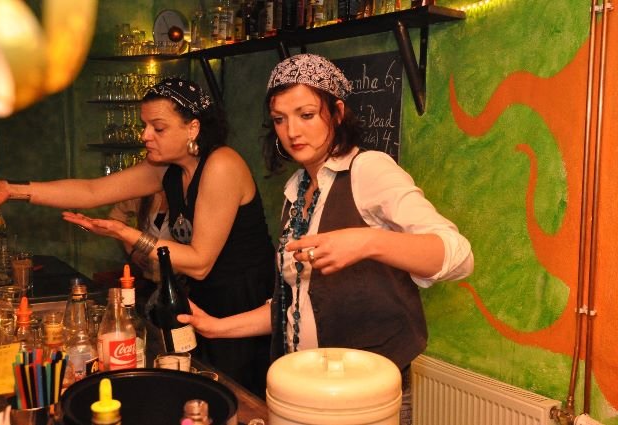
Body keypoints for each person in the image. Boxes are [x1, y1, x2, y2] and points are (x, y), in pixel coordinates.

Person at [176, 54, 474, 423]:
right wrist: (217, 328)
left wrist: (367, 242)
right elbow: (296, 304)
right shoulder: (296, 189)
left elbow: (459, 255)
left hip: (365, 395)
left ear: (337, 113)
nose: (292, 131)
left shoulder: (368, 170)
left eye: (306, 114)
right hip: (305, 388)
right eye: (280, 119)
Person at [0, 78, 275, 397]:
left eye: (158, 128)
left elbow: (200, 263)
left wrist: (125, 232)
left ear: (192, 128)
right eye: (145, 125)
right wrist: (10, 189)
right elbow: (92, 191)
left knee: (237, 399)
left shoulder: (222, 165)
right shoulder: (169, 169)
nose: (145, 135)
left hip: (245, 306)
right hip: (203, 302)